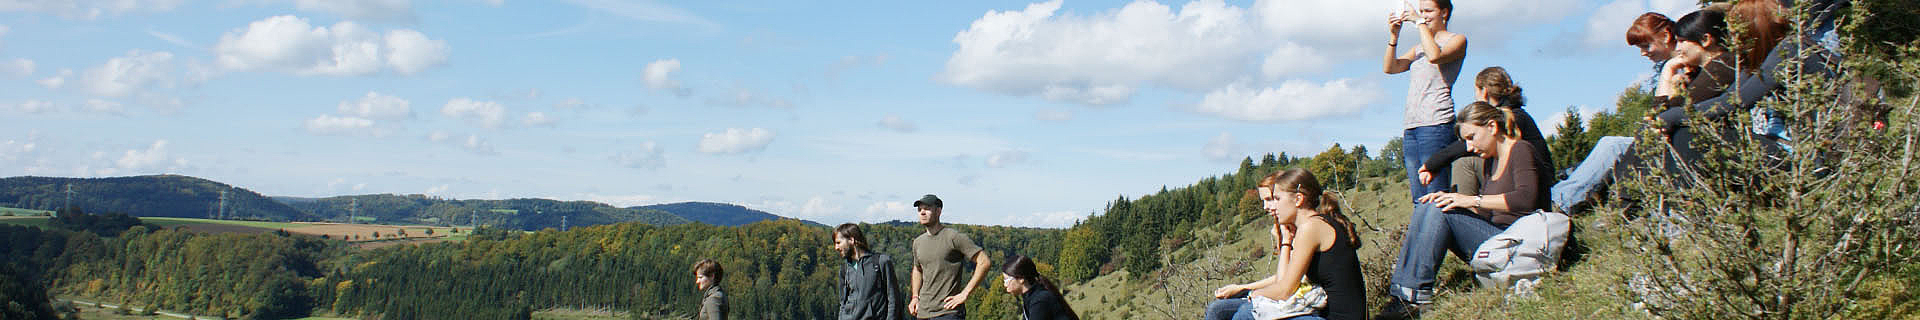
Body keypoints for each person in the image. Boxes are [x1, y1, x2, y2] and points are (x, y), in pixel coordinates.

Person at [1378, 102, 1549, 320]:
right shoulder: (1490, 161)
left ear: (1492, 127)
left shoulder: (1521, 150)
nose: (1469, 146)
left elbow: (1525, 199)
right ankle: (1401, 295)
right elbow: (1486, 214)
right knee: (1431, 203)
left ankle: (1413, 299)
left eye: (1471, 137)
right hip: (1497, 240)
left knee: (1440, 209)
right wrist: (1458, 205)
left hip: (1519, 243)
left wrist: (1469, 200)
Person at [1204, 168, 1367, 320]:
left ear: (1298, 199)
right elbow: (1284, 282)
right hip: (1320, 312)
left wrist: (1253, 295)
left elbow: (1285, 290)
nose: (1272, 206)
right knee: (1220, 311)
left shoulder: (1310, 227)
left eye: (1277, 199)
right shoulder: (1314, 224)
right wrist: (1286, 240)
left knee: (1247, 313)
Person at [1416, 67, 1552, 199]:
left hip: (1534, 186)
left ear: (1484, 91)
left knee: (1465, 163)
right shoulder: (1518, 115)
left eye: (1476, 91)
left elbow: (1463, 147)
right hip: (1527, 180)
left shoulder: (1511, 118)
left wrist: (1432, 164)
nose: (1475, 97)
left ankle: (1463, 208)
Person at [1384, 0, 1469, 203]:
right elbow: (1390, 68)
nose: (1423, 15)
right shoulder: (1419, 48)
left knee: (1435, 192)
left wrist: (1418, 22)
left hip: (1436, 123)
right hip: (1412, 126)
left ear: (1444, 13)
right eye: (1421, 11)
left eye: (1428, 11)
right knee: (1419, 196)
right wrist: (1394, 36)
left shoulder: (1457, 40)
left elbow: (1435, 56)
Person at [908, 194, 990, 320]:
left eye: (927, 208)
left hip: (948, 312)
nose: (922, 212)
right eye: (919, 209)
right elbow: (917, 269)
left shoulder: (953, 237)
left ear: (938, 211)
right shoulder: (918, 242)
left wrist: (965, 294)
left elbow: (984, 262)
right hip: (923, 313)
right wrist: (915, 297)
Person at [838, 223, 904, 320]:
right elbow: (843, 303)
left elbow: (894, 299)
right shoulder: (845, 268)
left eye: (838, 242)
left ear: (851, 240)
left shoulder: (881, 262)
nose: (836, 247)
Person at [1000, 255, 1079, 320]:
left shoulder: (1040, 301)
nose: (1005, 285)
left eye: (1006, 279)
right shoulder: (1031, 298)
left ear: (1021, 279)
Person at [1626, 13, 1679, 93]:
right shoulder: (1665, 68)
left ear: (1665, 36)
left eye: (1646, 46)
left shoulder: (1694, 63)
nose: (1643, 53)